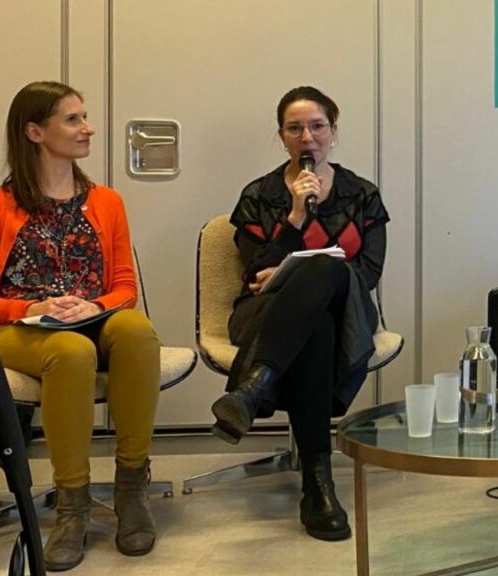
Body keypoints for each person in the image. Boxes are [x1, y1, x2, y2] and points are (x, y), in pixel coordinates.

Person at [0, 81, 161, 570]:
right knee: (71, 351)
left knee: (136, 330)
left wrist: (95, 306)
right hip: (20, 328)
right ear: (35, 132)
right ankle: (72, 504)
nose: (88, 128)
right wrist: (31, 307)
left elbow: (125, 287)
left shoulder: (107, 202)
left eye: (84, 117)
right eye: (73, 119)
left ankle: (132, 486)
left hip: (91, 320)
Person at [210, 86, 389, 541]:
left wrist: (305, 272)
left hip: (348, 309)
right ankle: (318, 485)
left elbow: (367, 273)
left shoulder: (362, 195)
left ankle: (255, 387)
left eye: (317, 126)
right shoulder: (260, 195)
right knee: (317, 326)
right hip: (265, 311)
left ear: (333, 131)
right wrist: (293, 216)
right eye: (295, 128)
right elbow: (255, 275)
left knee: (325, 276)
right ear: (281, 136)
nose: (307, 137)